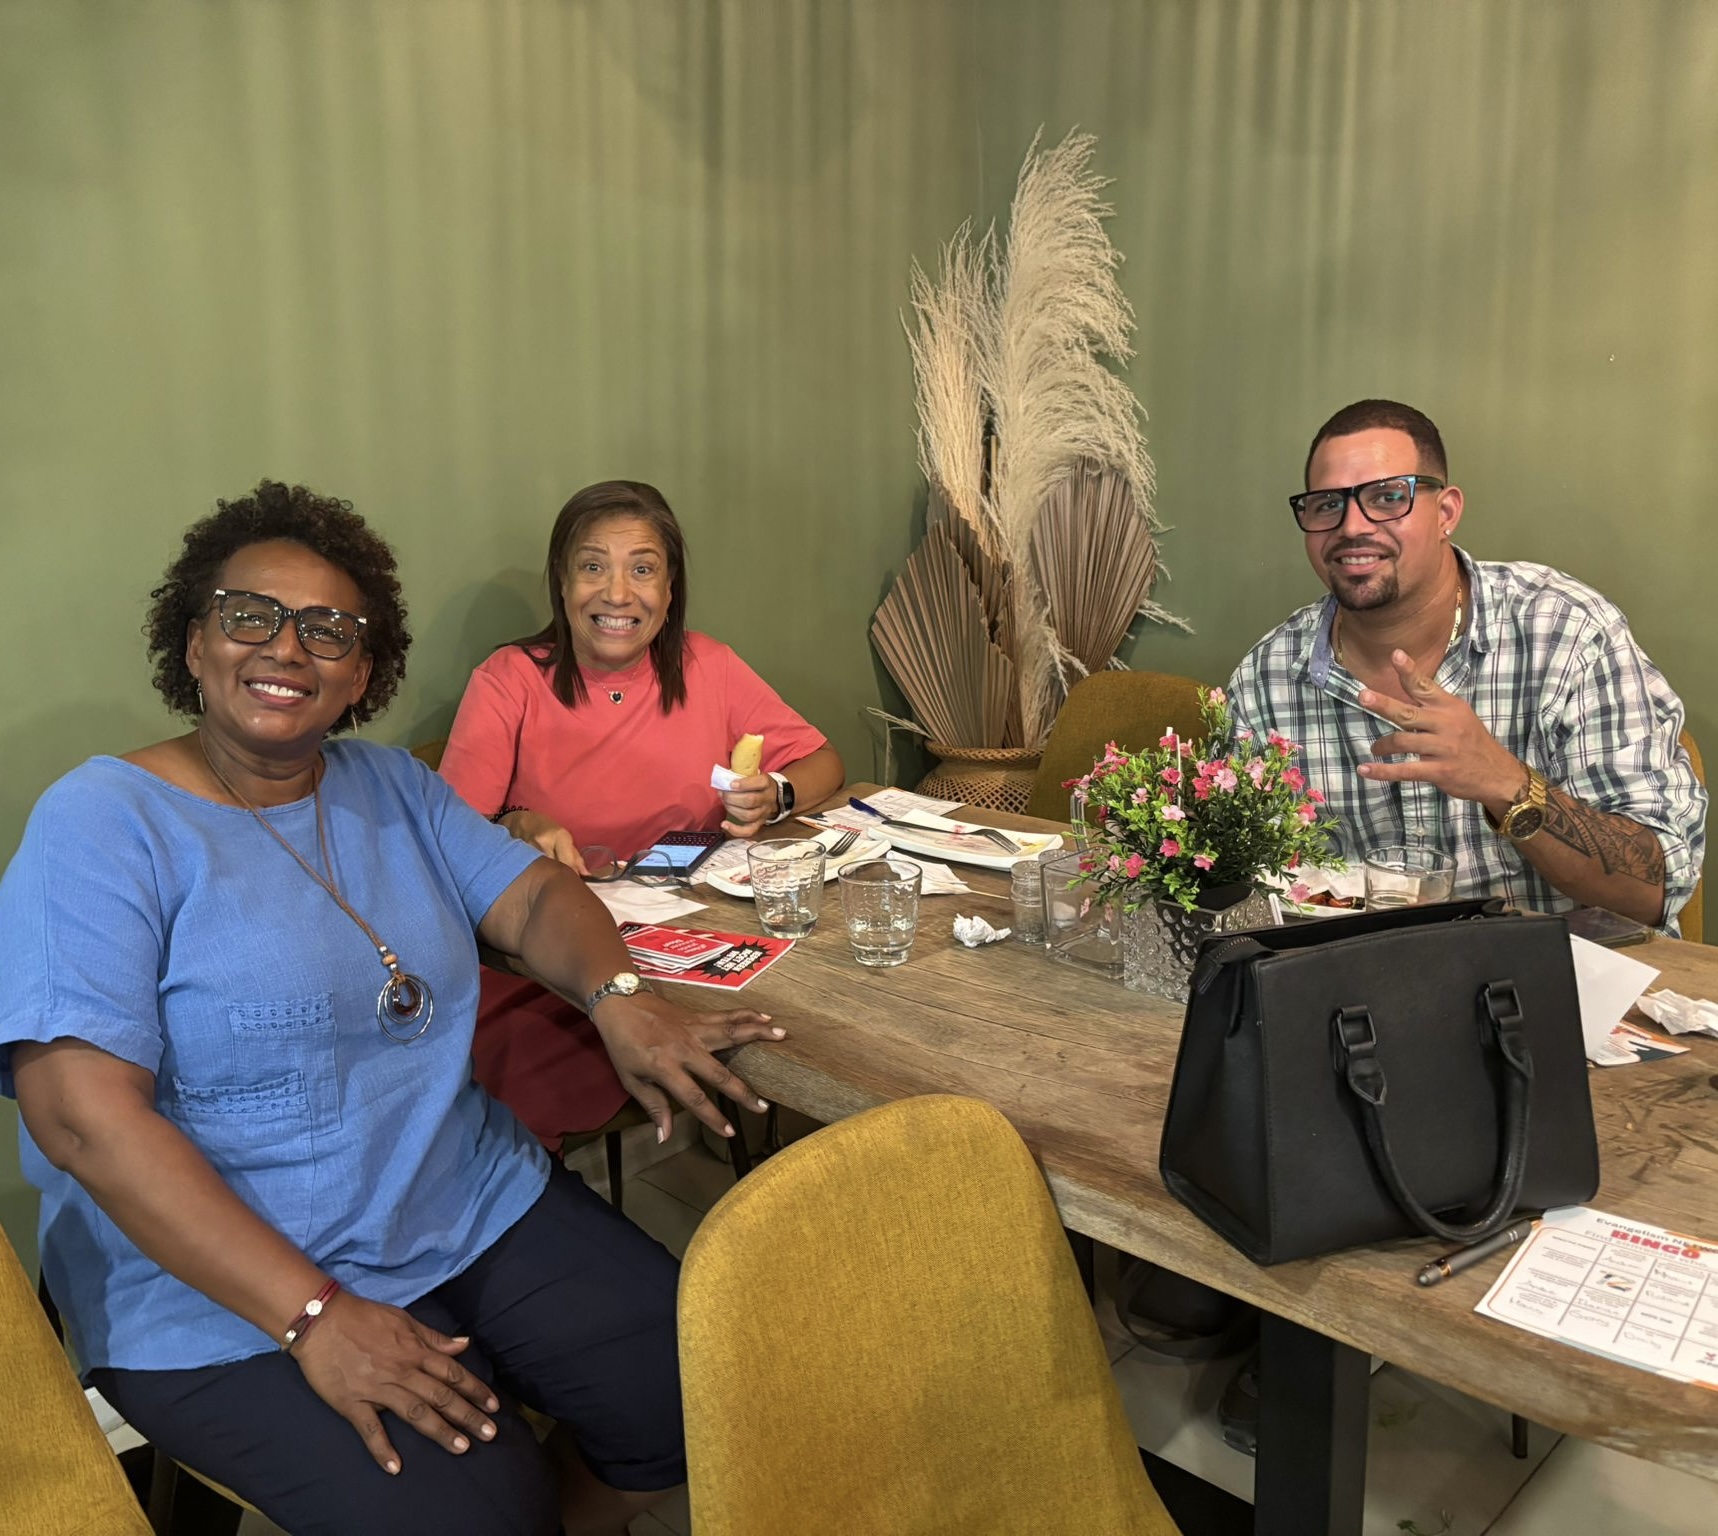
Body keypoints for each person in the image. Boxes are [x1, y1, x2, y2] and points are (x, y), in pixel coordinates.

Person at [0, 483, 784, 1536]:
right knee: (479, 1509)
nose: (287, 648)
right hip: (214, 1282)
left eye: (328, 630)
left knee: (701, 1386)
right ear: (193, 642)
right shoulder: (102, 821)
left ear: (362, 672)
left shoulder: (387, 788)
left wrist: (620, 996)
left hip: (459, 1198)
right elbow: (81, 1120)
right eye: (249, 616)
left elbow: (538, 897)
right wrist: (314, 1316)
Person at [439, 479, 843, 1144]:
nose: (618, 594)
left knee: (820, 1016)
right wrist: (517, 823)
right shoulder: (509, 678)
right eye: (593, 567)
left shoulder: (708, 664)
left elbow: (822, 761)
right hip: (562, 963)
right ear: (562, 581)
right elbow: (447, 840)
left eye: (643, 570)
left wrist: (778, 792)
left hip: (702, 938)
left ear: (670, 587)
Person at [1227, 398, 1706, 932]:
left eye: (1388, 497)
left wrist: (1506, 783)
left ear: (1446, 513)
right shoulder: (1267, 680)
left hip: (1564, 971)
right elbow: (1247, 897)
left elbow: (1653, 891)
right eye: (1326, 505)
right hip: (1361, 977)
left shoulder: (1566, 633)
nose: (1352, 526)